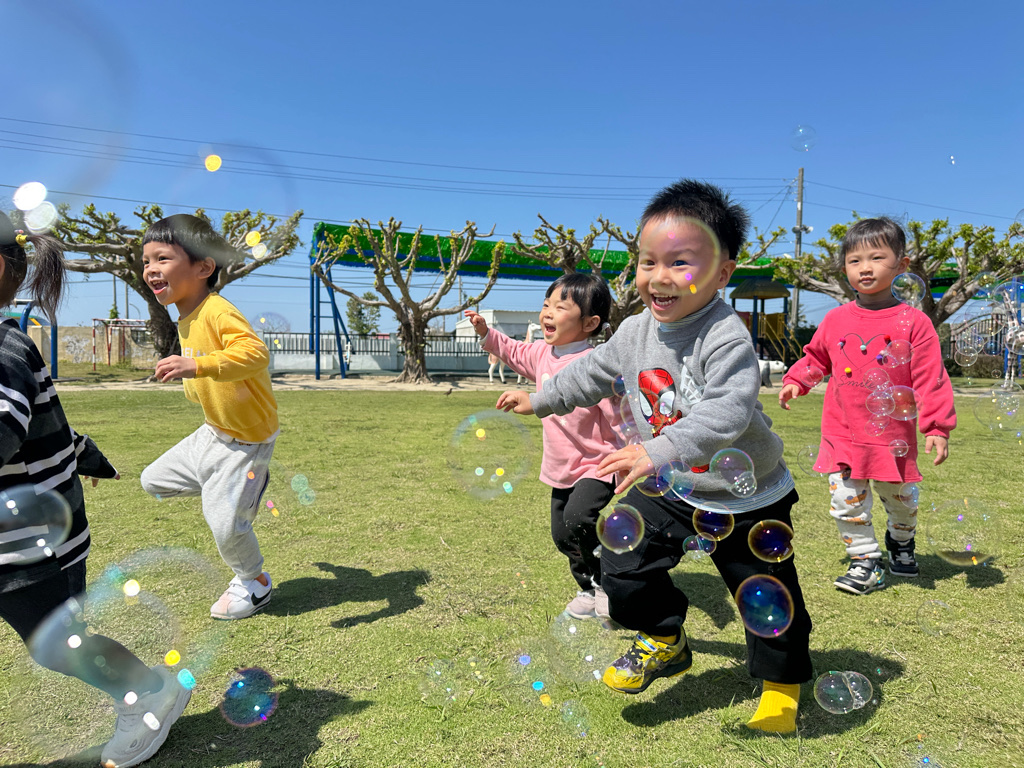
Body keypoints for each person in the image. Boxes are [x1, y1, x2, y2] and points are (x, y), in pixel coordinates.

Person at [496, 180, 813, 734]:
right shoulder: (633, 331)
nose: (658, 277)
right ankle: (665, 636)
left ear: (722, 273)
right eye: (648, 262)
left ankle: (781, 686)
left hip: (745, 494)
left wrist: (655, 449)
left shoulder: (725, 335)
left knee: (765, 593)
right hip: (672, 483)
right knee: (621, 563)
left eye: (679, 262)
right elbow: (589, 373)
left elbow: (728, 411)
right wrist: (540, 399)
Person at [0, 213, 190, 768]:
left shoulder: (4, 349)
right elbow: (49, 425)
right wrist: (86, 453)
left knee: (57, 642)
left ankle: (148, 691)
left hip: (32, 545)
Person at [779, 217, 955, 595]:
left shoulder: (916, 323)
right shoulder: (835, 319)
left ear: (901, 265)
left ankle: (901, 542)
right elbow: (816, 358)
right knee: (845, 500)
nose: (865, 268)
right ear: (844, 268)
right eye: (855, 260)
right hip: (843, 433)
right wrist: (797, 380)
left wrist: (937, 426)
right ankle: (865, 560)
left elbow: (931, 378)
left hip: (893, 437)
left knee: (902, 502)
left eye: (877, 258)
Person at [139, 214, 278, 620]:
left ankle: (255, 583)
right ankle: (234, 491)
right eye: (146, 261)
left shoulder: (216, 310)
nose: (150, 269)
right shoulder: (185, 315)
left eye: (162, 259)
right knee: (153, 481)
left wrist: (196, 366)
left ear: (203, 268)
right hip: (214, 432)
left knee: (224, 526)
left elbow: (255, 353)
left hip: (247, 440)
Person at [465, 273, 621, 621]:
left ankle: (608, 583)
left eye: (560, 307)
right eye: (546, 304)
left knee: (579, 518)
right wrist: (486, 333)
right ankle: (588, 588)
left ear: (590, 323)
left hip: (597, 464)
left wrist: (633, 453)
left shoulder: (596, 364)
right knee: (562, 534)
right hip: (560, 466)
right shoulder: (541, 354)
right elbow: (514, 351)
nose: (548, 313)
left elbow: (618, 416)